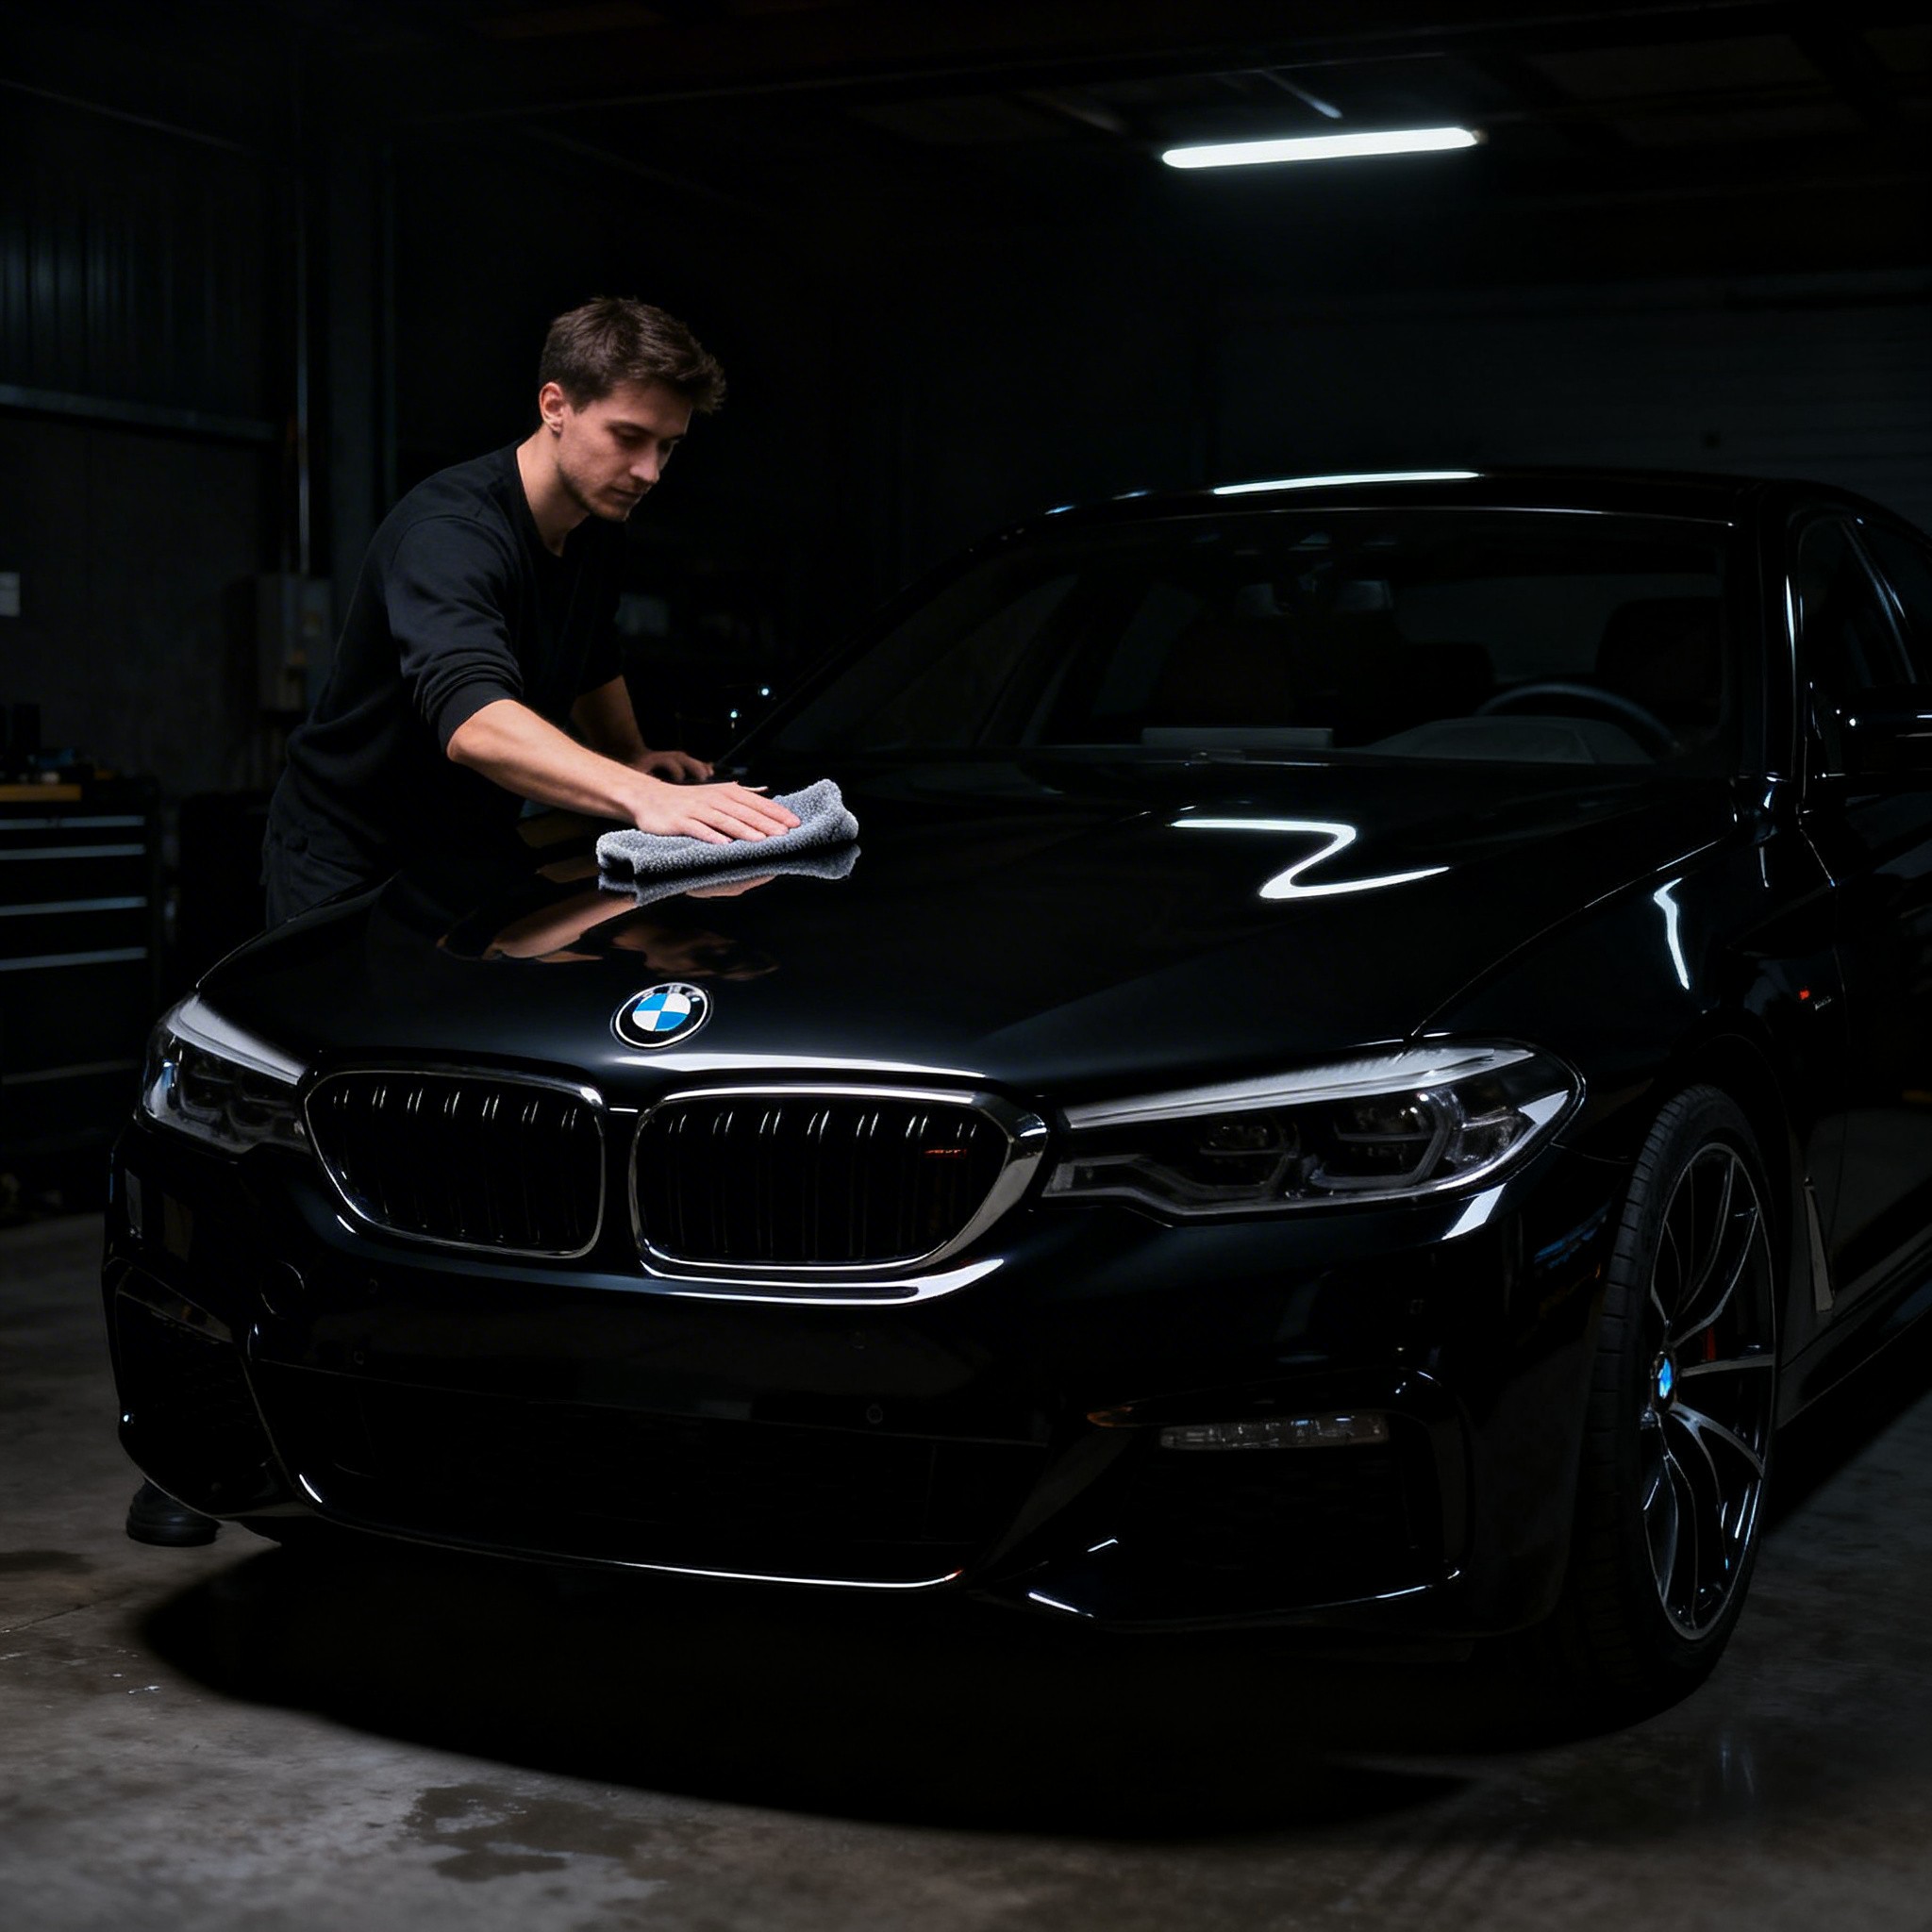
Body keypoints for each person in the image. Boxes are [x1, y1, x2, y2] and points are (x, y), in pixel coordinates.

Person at [125, 296, 798, 1548]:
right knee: (299, 1146)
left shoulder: (587, 525)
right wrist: (640, 798)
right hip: (351, 865)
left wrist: (639, 759)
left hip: (470, 864)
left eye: (670, 447)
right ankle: (208, 1445)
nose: (651, 470)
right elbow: (472, 719)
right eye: (630, 439)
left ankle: (468, 1414)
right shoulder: (451, 527)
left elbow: (587, 663)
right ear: (554, 407)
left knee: (472, 1135)